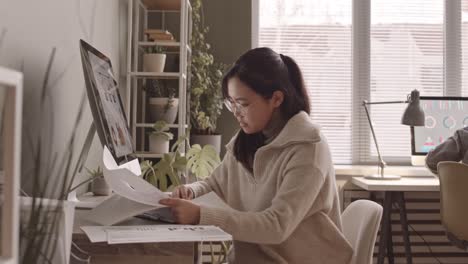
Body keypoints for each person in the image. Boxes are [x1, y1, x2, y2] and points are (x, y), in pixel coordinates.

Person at [159, 47, 353, 264]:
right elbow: (215, 184)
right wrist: (189, 192)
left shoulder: (309, 149)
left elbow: (276, 226)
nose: (235, 112)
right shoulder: (248, 139)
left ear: (276, 99)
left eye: (243, 103)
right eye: (231, 102)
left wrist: (200, 215)